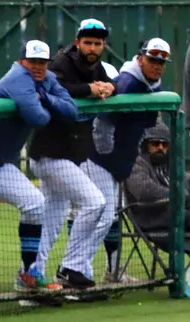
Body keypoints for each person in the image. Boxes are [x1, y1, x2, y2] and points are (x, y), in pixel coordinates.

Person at [0, 40, 77, 293]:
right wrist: (47, 103)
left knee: (35, 204)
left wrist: (44, 97)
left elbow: (71, 110)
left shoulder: (45, 80)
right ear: (22, 61)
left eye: (42, 62)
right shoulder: (18, 78)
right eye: (33, 61)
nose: (37, 67)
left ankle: (28, 274)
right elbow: (40, 118)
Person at [27, 18, 114, 290]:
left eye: (97, 43)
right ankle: (72, 267)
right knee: (94, 202)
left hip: (67, 155)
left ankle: (33, 272)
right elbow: (54, 88)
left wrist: (109, 87)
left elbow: (113, 85)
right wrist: (91, 89)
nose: (92, 47)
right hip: (50, 153)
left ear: (103, 46)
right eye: (87, 42)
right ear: (78, 42)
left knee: (52, 218)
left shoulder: (96, 65)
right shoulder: (61, 63)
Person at [84, 39, 170, 284]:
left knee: (106, 215)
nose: (157, 66)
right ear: (141, 58)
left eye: (161, 62)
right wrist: (110, 157)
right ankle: (75, 269)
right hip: (98, 159)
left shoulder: (152, 84)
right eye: (153, 60)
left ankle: (105, 270)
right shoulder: (128, 82)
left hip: (115, 161)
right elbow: (102, 124)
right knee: (100, 213)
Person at [123, 122, 190, 271]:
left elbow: (186, 179)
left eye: (164, 144)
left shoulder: (169, 164)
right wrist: (180, 196)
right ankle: (179, 278)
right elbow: (144, 191)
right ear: (146, 144)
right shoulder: (136, 163)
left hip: (174, 214)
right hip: (149, 216)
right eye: (155, 143)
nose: (160, 148)